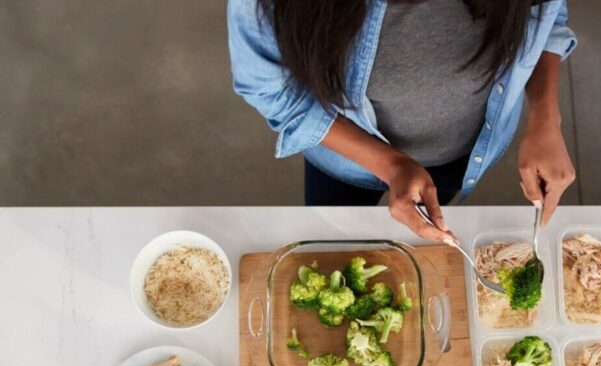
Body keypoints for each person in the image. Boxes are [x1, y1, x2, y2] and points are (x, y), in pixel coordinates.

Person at [228, 0, 577, 242]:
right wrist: (391, 164)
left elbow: (546, 16)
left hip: (461, 148)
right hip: (341, 157)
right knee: (331, 233)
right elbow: (271, 89)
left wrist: (546, 117)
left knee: (436, 214)